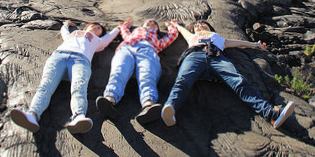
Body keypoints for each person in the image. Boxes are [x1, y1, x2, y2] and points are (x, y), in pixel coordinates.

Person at [161, 20, 295, 129]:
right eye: (196, 26)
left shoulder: (218, 38)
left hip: (216, 58)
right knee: (183, 80)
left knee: (239, 81)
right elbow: (181, 30)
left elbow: (239, 43)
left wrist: (256, 45)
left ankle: (271, 114)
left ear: (210, 28)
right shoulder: (192, 37)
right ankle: (170, 108)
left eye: (203, 24)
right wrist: (174, 24)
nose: (200, 26)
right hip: (195, 55)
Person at [11, 20, 119, 134]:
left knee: (79, 88)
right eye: (94, 25)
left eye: (99, 28)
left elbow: (111, 36)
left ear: (101, 33)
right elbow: (64, 33)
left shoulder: (99, 41)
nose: (96, 27)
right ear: (87, 26)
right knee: (46, 85)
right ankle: (33, 115)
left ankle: (79, 117)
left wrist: (120, 27)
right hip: (59, 56)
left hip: (81, 60)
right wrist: (66, 25)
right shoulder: (75, 33)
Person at [96, 18, 178, 125]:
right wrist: (126, 25)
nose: (150, 23)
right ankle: (109, 99)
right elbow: (124, 31)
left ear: (157, 29)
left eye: (154, 23)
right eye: (148, 22)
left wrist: (171, 26)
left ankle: (148, 104)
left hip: (148, 49)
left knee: (147, 75)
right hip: (127, 47)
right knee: (119, 71)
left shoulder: (157, 40)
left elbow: (172, 35)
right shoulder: (133, 33)